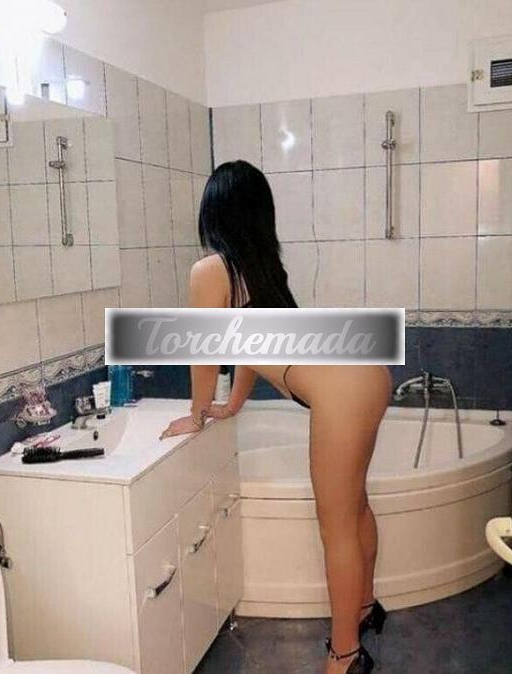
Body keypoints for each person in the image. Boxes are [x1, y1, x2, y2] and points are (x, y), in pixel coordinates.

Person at [160, 160, 392, 674]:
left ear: (213, 211)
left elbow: (205, 352)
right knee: (355, 506)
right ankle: (365, 608)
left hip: (342, 390)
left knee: (336, 528)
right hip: (367, 372)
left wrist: (196, 415)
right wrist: (233, 405)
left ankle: (344, 655)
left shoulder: (211, 270)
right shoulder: (263, 267)